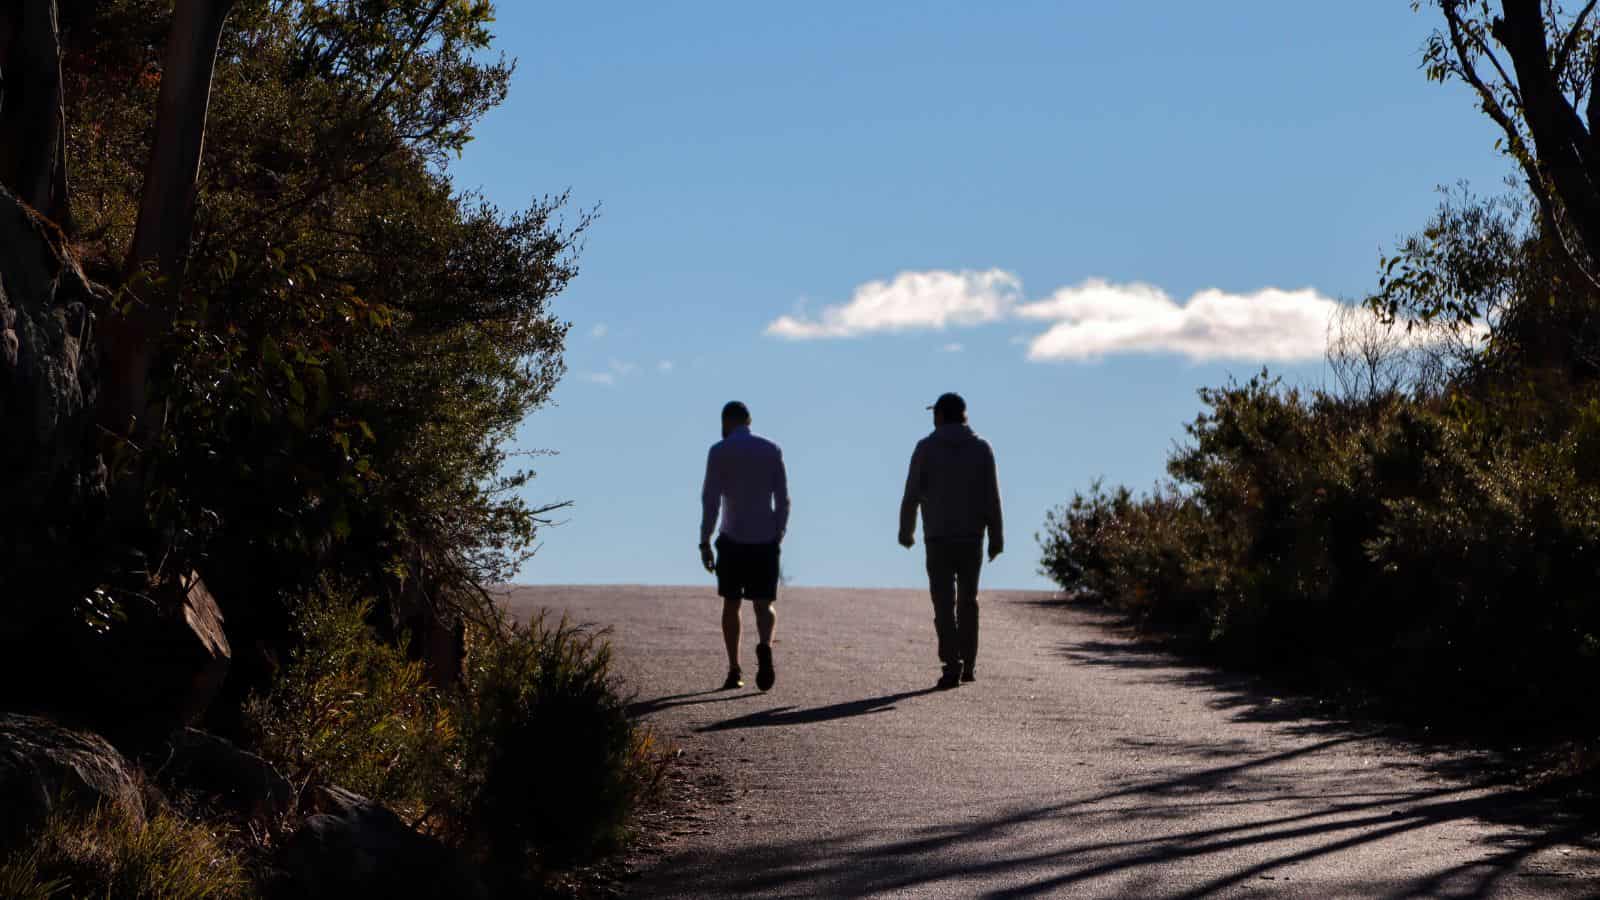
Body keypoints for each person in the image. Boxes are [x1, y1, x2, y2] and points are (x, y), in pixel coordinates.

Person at [898, 392, 1003, 690]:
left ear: (941, 415)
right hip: (972, 536)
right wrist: (997, 537)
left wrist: (906, 531)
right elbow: (991, 497)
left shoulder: (926, 448)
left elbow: (911, 493)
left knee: (944, 603)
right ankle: (968, 662)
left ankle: (951, 664)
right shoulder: (982, 448)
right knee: (969, 601)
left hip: (938, 537)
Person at [700, 401, 789, 691]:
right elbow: (783, 499)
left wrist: (704, 539)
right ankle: (764, 645)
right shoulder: (771, 449)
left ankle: (734, 669)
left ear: (727, 422)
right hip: (764, 539)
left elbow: (711, 501)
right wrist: (778, 533)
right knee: (765, 604)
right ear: (749, 421)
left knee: (731, 603)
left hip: (732, 538)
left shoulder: (719, 451)